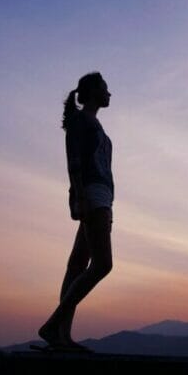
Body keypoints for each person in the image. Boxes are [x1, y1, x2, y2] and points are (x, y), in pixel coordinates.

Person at [38, 71, 114, 351]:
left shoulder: (97, 126)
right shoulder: (81, 122)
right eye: (106, 88)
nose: (110, 93)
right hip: (92, 196)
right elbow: (74, 161)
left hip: (102, 199)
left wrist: (109, 204)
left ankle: (61, 337)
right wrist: (80, 196)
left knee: (76, 267)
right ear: (93, 91)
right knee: (103, 264)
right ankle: (52, 326)